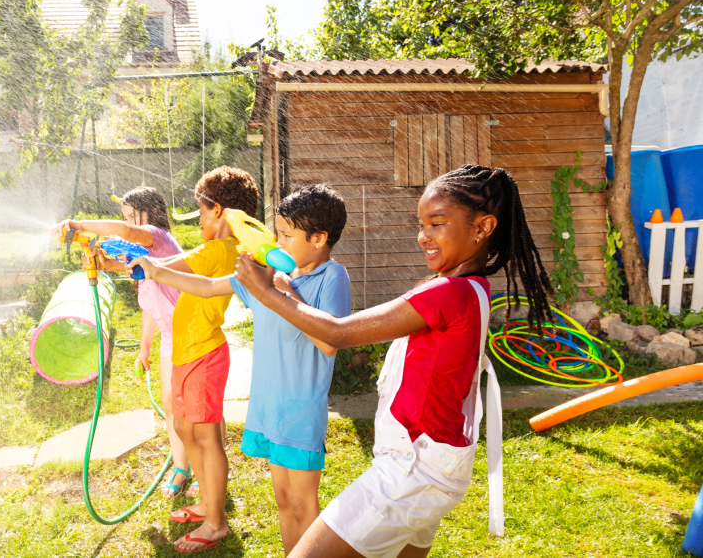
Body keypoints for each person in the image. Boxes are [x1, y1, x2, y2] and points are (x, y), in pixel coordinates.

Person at [234, 165, 552, 558]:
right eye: (421, 225)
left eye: (436, 224)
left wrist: (265, 291)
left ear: (482, 228)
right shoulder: (474, 290)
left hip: (411, 471)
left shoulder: (449, 294)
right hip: (438, 467)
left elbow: (338, 332)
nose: (424, 237)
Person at [129, 184, 351, 555]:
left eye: (287, 236)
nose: (277, 242)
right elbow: (207, 286)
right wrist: (156, 271)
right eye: (277, 232)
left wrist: (283, 294)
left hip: (299, 414)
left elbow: (330, 341)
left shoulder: (331, 277)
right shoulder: (267, 274)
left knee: (303, 506)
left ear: (319, 238)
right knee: (282, 501)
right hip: (269, 409)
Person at [136, 166, 258, 553]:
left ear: (219, 211)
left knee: (205, 437)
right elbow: (165, 268)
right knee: (188, 432)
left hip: (203, 353)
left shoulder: (219, 249)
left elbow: (171, 268)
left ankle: (216, 522)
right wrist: (133, 264)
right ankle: (208, 503)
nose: (200, 219)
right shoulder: (217, 249)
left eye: (202, 211)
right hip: (189, 352)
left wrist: (145, 265)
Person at [51, 186, 195, 499]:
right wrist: (144, 349)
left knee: (198, 409)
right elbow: (150, 306)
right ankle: (182, 468)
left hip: (193, 333)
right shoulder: (144, 258)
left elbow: (127, 232)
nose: (129, 224)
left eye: (133, 216)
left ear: (152, 214)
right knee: (171, 406)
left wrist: (79, 224)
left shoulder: (157, 236)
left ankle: (209, 464)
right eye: (125, 217)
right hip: (172, 336)